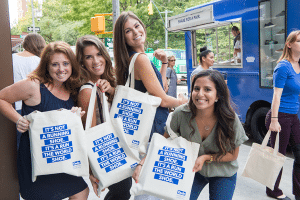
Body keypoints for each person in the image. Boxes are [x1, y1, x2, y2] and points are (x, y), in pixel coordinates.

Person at [134, 70, 248, 200]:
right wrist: (142, 164)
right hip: (191, 170)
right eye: (196, 88)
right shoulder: (180, 114)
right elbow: (161, 142)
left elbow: (233, 155)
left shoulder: (230, 119)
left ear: (217, 96)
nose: (200, 94)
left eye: (207, 89)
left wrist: (206, 157)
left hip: (223, 172)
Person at [0, 41, 89, 199]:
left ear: (72, 65)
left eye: (65, 63)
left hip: (63, 156)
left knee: (81, 192)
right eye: (55, 64)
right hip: (37, 160)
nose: (61, 69)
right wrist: (18, 119)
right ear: (46, 66)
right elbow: (2, 98)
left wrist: (75, 116)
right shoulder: (34, 86)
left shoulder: (71, 87)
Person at [114, 11, 188, 200]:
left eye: (137, 26)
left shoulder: (133, 58)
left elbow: (158, 90)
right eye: (128, 31)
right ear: (123, 38)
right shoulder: (140, 59)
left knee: (146, 189)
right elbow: (162, 100)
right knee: (148, 192)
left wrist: (164, 63)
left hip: (140, 132)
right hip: (150, 131)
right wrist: (184, 102)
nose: (135, 32)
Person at [76, 35, 130, 200]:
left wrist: (112, 90)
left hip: (114, 148)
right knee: (121, 192)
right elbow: (89, 133)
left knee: (121, 192)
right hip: (105, 151)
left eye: (99, 54)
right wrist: (93, 171)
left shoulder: (102, 84)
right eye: (89, 57)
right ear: (82, 62)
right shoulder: (87, 90)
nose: (96, 60)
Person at [265, 30, 300, 200]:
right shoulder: (283, 66)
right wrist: (274, 120)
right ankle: (272, 190)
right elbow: (276, 95)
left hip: (293, 116)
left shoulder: (299, 66)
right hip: (280, 116)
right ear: (289, 44)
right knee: (278, 156)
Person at [12, 33, 46, 149]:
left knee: (16, 142)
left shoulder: (12, 58)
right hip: (32, 105)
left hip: (13, 105)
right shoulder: (38, 61)